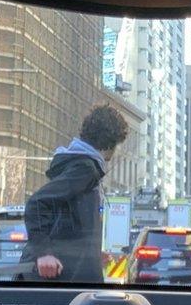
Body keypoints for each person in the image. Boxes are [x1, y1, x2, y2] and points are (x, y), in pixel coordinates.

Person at [22, 105, 128, 282]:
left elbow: (67, 222)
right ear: (109, 143)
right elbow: (37, 203)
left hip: (70, 275)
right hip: (67, 281)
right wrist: (44, 254)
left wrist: (90, 252)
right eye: (116, 145)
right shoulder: (84, 169)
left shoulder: (77, 165)